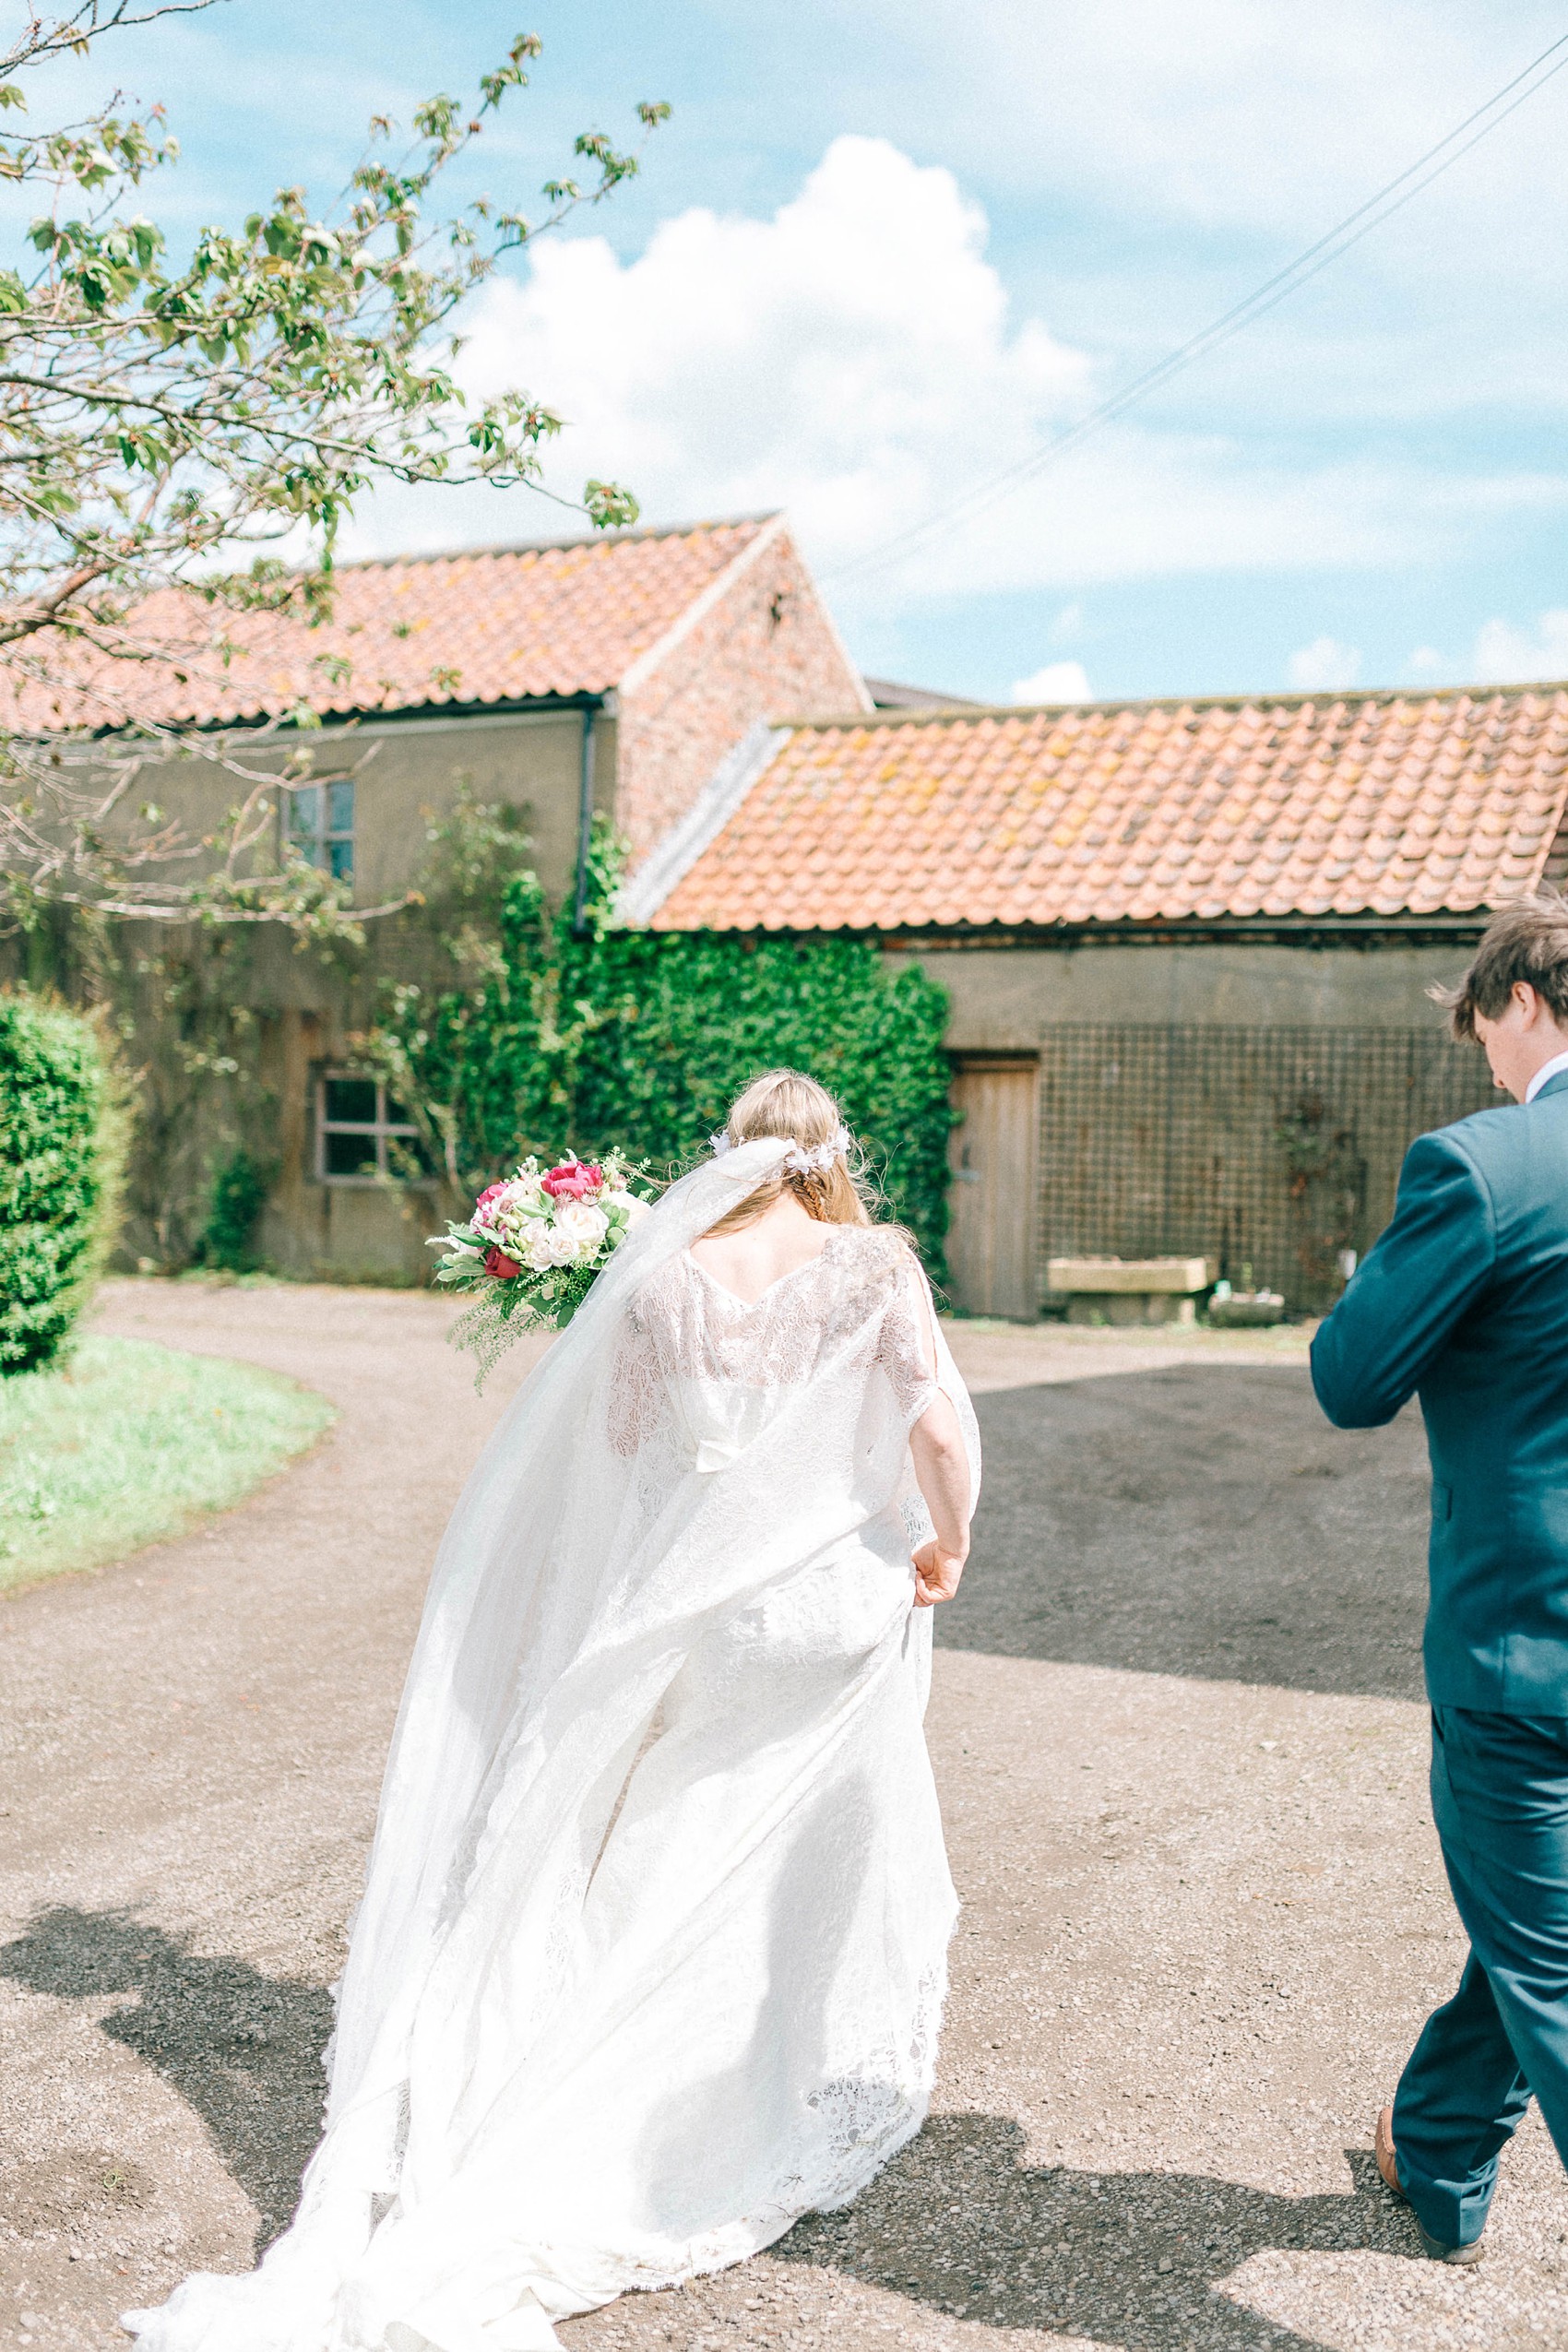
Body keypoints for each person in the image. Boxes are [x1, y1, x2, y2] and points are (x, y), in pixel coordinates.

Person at [125, 1068, 980, 2351]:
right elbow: (942, 1440)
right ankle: (758, 2075)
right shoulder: (873, 1264)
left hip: (705, 1621)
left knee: (676, 1836)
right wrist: (948, 1549)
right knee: (798, 1847)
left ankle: (610, 2059)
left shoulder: (665, 1276)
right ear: (825, 1155)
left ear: (728, 1153)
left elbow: (621, 1458)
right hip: (826, 1619)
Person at [1311, 890, 1568, 2265]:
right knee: (1533, 1919)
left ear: (1517, 998)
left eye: (1478, 1023)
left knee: (1552, 1955)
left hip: (1526, 1649)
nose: (1481, 1051)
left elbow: (1352, 1377)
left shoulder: (1485, 1166)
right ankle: (1443, 2150)